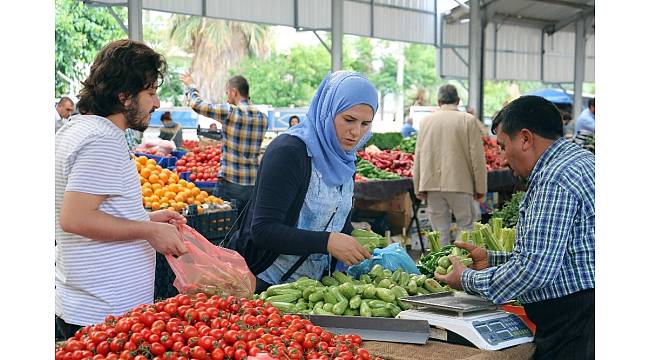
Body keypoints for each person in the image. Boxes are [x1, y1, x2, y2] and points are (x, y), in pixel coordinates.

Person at [436, 95, 595, 359]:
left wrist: (467, 279)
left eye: (502, 146)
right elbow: (561, 255)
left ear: (524, 138)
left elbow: (535, 270)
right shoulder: (580, 161)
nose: (501, 159)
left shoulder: (554, 178)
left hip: (577, 321)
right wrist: (493, 260)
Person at [55, 39, 188, 341]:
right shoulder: (101, 140)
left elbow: (98, 211)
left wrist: (147, 220)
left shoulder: (77, 129)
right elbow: (75, 219)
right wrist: (148, 232)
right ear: (124, 96)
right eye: (151, 93)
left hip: (92, 305)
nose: (156, 104)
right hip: (102, 314)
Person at [228, 71, 376, 292]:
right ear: (328, 110)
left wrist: (360, 239)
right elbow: (263, 229)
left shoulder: (344, 159)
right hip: (264, 285)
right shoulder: (289, 152)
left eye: (365, 124)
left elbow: (335, 221)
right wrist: (327, 242)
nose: (356, 132)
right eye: (348, 119)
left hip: (313, 291)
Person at [180, 73, 268, 211]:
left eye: (227, 93)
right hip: (253, 183)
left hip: (230, 181)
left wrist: (191, 86)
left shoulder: (230, 112)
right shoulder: (262, 117)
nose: (227, 97)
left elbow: (197, 105)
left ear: (234, 92)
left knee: (221, 223)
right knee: (244, 226)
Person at [413, 84, 487, 246]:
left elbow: (418, 155)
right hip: (461, 184)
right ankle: (460, 266)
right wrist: (480, 187)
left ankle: (439, 267)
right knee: (466, 227)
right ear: (458, 101)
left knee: (438, 232)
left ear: (439, 101)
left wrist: (418, 186)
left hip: (432, 184)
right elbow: (477, 157)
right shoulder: (468, 120)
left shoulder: (426, 121)